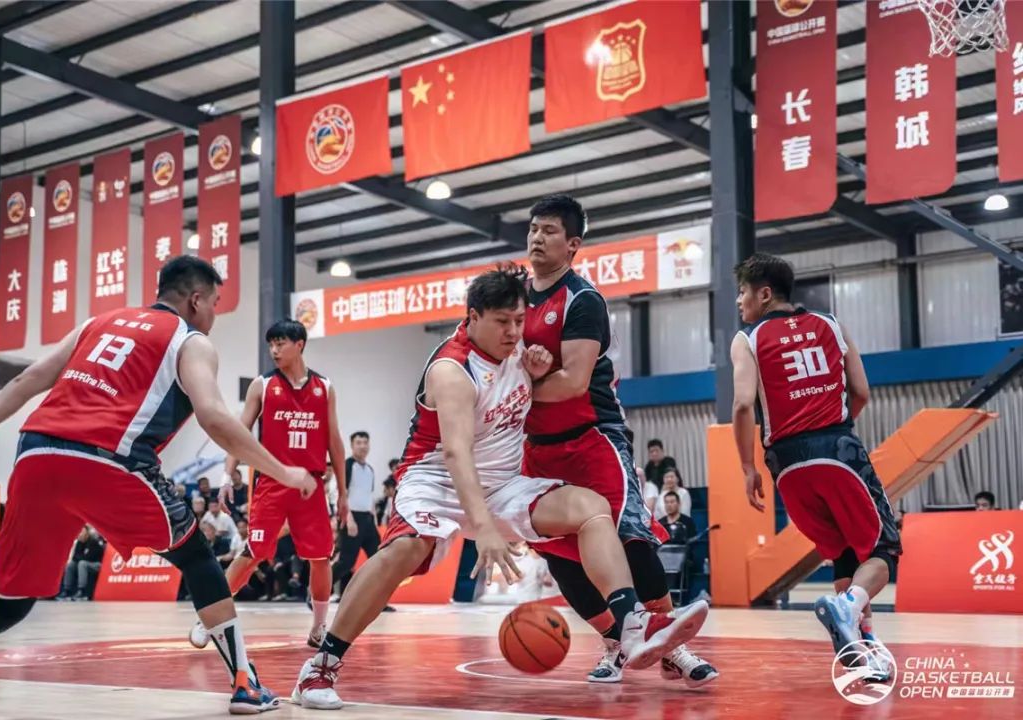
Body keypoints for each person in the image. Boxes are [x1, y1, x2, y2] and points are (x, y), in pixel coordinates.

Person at [292, 268, 707, 710]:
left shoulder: (521, 352)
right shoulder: (452, 369)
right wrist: (485, 528)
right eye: (502, 322)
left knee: (591, 506)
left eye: (519, 320)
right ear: (472, 317)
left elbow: (560, 380)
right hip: (437, 481)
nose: (513, 332)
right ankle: (321, 666)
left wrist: (536, 373)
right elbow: (457, 454)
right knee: (406, 550)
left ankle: (630, 623)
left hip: (503, 484)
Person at [0, 255, 317, 714]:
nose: (214, 314)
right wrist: (284, 472)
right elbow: (215, 416)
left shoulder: (97, 323)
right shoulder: (190, 340)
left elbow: (28, 379)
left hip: (35, 454)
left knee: (9, 605)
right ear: (195, 300)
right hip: (108, 460)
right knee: (196, 556)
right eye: (215, 303)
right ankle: (245, 684)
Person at [521, 194, 716, 687]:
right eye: (534, 228)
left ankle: (671, 644)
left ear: (573, 244)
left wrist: (513, 390)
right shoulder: (512, 301)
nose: (537, 237)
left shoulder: (582, 300)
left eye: (549, 230)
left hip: (593, 437)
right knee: (560, 554)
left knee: (631, 535)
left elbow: (571, 382)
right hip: (536, 446)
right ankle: (617, 643)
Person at [730, 252, 901, 676]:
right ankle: (848, 607)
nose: (738, 301)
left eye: (742, 292)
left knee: (843, 552)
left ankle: (859, 645)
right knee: (883, 550)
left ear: (764, 294)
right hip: (836, 447)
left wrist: (748, 468)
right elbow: (861, 391)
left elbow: (742, 405)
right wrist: (834, 435)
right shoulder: (831, 324)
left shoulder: (747, 339)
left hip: (786, 464)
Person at [193, 319, 348, 651]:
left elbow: (335, 442)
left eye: (281, 343)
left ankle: (319, 627)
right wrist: (226, 476)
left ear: (299, 344)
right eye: (271, 344)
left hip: (310, 486)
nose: (274, 350)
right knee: (253, 552)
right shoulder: (262, 386)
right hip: (271, 482)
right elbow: (238, 433)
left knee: (320, 557)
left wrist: (343, 494)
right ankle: (209, 618)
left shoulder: (324, 387)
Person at [330, 432, 381, 596]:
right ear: (352, 446)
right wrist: (348, 518)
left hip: (368, 520)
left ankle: (377, 601)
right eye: (358, 443)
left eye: (365, 442)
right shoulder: (347, 465)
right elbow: (341, 494)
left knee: (380, 559)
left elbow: (368, 496)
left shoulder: (370, 470)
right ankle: (319, 590)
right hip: (352, 518)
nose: (362, 446)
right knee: (346, 562)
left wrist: (374, 520)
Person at [58, 525, 105, 601]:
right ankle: (67, 590)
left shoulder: (93, 542)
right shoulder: (79, 543)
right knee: (70, 565)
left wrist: (80, 557)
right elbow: (75, 557)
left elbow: (89, 557)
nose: (80, 534)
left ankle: (81, 590)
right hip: (85, 563)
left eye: (82, 532)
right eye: (79, 532)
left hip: (97, 564)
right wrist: (80, 557)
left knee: (82, 564)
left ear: (87, 533)